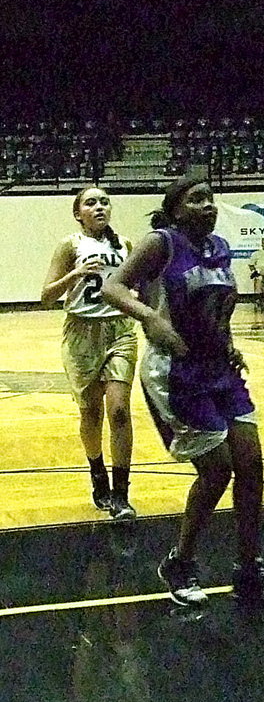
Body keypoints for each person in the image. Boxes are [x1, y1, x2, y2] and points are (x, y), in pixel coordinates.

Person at [101, 169, 264, 607]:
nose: (207, 205)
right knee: (216, 470)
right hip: (176, 372)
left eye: (210, 198)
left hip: (218, 368)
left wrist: (229, 343)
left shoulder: (220, 248)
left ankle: (249, 570)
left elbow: (219, 306)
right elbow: (113, 287)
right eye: (196, 199)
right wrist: (149, 316)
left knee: (251, 464)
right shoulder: (161, 243)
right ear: (174, 209)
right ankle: (180, 563)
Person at [40, 185, 138, 520]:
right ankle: (98, 475)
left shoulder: (125, 244)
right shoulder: (70, 245)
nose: (100, 207)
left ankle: (122, 493)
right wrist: (76, 273)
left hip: (120, 330)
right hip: (81, 331)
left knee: (121, 411)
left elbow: (139, 286)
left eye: (105, 202)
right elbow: (46, 296)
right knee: (91, 412)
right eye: (91, 202)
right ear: (77, 212)